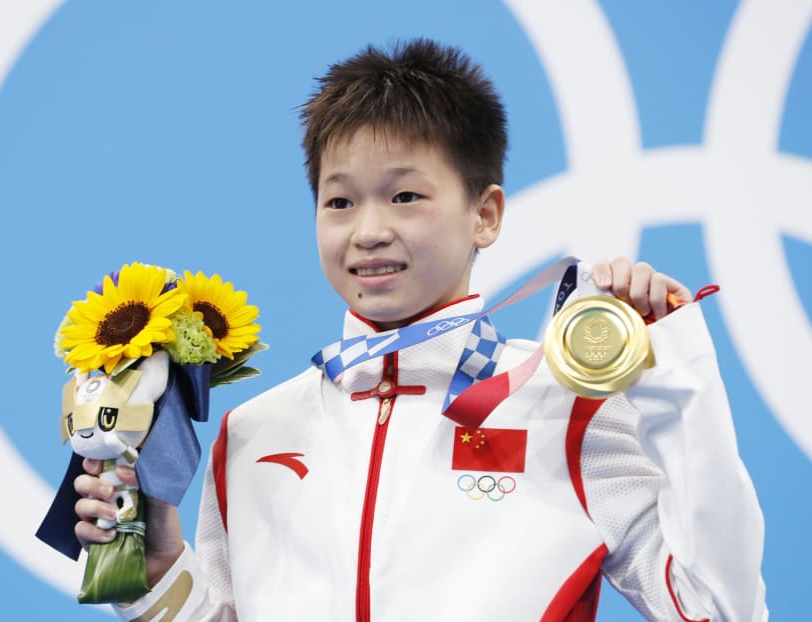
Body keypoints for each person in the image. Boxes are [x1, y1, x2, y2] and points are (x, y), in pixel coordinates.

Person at [73, 39, 766, 620]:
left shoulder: (568, 411)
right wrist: (160, 565)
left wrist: (670, 380)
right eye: (339, 201)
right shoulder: (255, 431)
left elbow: (718, 607)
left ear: (485, 214)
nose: (370, 231)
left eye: (406, 195)